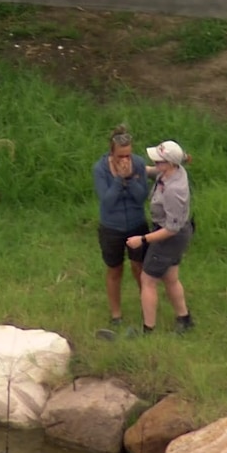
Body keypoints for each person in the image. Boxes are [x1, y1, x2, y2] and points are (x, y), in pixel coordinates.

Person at [125, 140, 194, 334]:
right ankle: (184, 319)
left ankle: (148, 329)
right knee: (170, 277)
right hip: (174, 233)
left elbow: (171, 229)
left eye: (158, 161)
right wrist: (138, 168)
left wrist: (143, 239)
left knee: (148, 280)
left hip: (169, 236)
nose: (155, 164)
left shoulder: (174, 191)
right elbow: (154, 172)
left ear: (170, 163)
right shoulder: (172, 171)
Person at [92, 125, 152, 326]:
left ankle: (147, 307)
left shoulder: (139, 164)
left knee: (140, 268)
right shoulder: (100, 169)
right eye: (120, 157)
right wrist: (119, 180)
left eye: (128, 155)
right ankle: (116, 314)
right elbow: (107, 201)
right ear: (112, 153)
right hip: (112, 227)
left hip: (136, 224)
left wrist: (131, 179)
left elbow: (141, 197)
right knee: (115, 270)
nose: (125, 160)